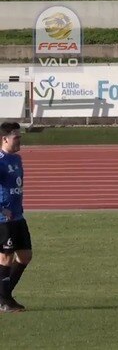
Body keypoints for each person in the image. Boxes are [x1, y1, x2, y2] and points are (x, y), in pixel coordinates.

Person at [0, 122, 31, 312]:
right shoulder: (1, 161)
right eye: (16, 137)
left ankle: (3, 295)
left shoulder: (17, 159)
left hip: (18, 217)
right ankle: (4, 300)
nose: (19, 140)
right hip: (3, 220)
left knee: (25, 256)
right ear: (4, 139)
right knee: (6, 258)